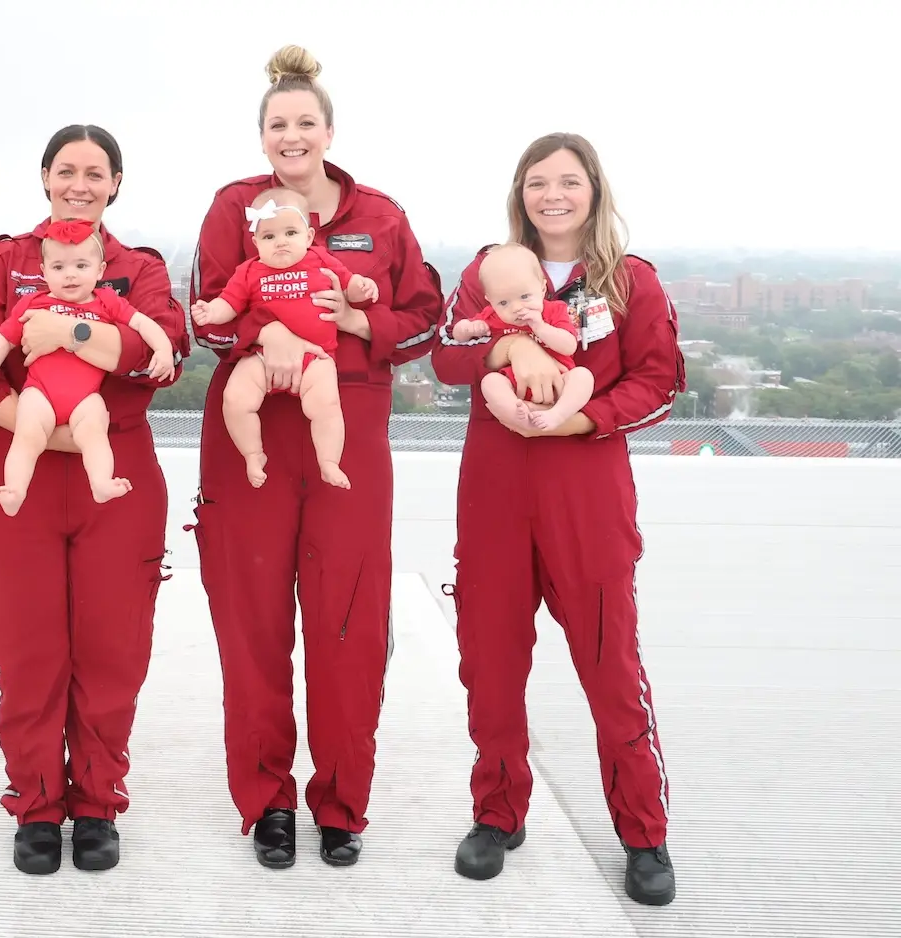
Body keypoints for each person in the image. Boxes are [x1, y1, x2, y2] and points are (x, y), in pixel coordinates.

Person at [188, 44, 444, 870]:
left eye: (305, 124)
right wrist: (256, 327)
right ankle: (267, 802)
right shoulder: (235, 209)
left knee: (349, 623)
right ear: (261, 135)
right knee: (253, 626)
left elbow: (427, 319)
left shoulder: (381, 216)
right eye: (276, 126)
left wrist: (362, 323)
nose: (291, 137)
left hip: (346, 439)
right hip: (253, 441)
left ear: (329, 130)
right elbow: (207, 317)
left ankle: (342, 803)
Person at [430, 131, 686, 906]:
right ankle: (497, 813)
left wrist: (586, 419)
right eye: (537, 181)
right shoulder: (492, 272)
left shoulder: (627, 281)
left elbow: (660, 380)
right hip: (497, 496)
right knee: (492, 665)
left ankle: (643, 833)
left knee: (611, 670)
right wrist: (506, 357)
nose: (553, 195)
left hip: (587, 496)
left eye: (568, 181)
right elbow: (444, 358)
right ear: (520, 193)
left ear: (594, 191)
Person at [0, 123, 189, 875]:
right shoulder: (3, 261)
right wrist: (50, 430)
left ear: (116, 183)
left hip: (114, 484)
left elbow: (162, 358)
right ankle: (37, 804)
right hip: (19, 474)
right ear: (44, 177)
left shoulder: (139, 268)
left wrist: (65, 331)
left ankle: (97, 804)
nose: (79, 183)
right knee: (26, 650)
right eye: (65, 170)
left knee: (113, 650)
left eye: (95, 172)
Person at [0, 217, 176, 516]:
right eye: (59, 267)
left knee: (94, 434)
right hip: (40, 391)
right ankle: (14, 489)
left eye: (81, 266)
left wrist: (163, 349)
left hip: (86, 396)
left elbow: (143, 324)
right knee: (27, 436)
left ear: (100, 270)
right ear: (44, 272)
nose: (70, 276)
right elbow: (2, 339)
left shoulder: (107, 301)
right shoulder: (33, 304)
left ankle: (101, 483)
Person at [190, 185, 379, 488]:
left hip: (317, 357)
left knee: (327, 407)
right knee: (235, 399)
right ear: (255, 243)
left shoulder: (322, 260)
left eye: (290, 233)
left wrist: (360, 289)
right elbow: (229, 303)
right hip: (261, 356)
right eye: (269, 236)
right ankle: (253, 454)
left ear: (308, 236)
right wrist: (211, 312)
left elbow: (350, 285)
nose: (280, 242)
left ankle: (329, 460)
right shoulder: (249, 271)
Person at [450, 242, 594, 433]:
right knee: (491, 382)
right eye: (503, 302)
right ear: (489, 300)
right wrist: (468, 328)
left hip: (560, 379)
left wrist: (540, 327)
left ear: (542, 289)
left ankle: (558, 414)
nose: (517, 308)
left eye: (525, 296)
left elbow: (569, 346)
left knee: (583, 377)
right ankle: (516, 413)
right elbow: (456, 334)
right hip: (514, 382)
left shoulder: (553, 311)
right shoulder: (492, 315)